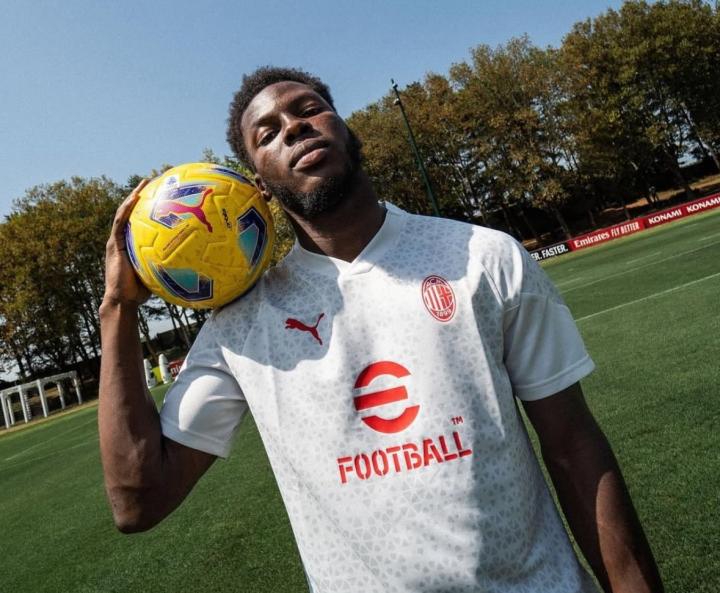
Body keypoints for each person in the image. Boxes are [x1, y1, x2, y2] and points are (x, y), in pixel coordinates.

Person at [99, 67, 664, 593]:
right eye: (267, 133)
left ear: (346, 130)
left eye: (309, 110)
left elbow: (573, 447)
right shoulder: (242, 325)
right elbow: (138, 501)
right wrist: (118, 309)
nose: (294, 127)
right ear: (258, 187)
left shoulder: (484, 257)